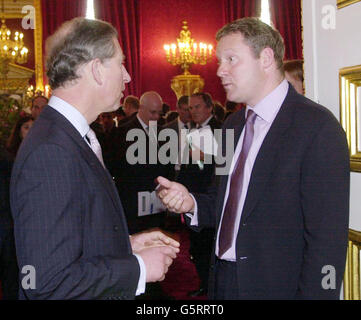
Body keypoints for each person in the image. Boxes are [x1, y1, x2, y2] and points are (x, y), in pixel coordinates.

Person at [156, 17, 350, 300]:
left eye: (231, 59)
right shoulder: (234, 125)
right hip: (223, 281)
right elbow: (227, 203)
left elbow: (327, 240)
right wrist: (191, 202)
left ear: (266, 58)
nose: (220, 71)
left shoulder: (316, 126)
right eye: (219, 61)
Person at [10, 17, 179, 300]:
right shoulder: (51, 151)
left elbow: (72, 238)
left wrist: (125, 245)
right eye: (121, 63)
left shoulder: (69, 135)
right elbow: (46, 282)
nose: (127, 76)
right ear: (97, 69)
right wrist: (137, 268)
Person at [176, 93, 221, 298]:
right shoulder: (193, 129)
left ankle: (209, 286)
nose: (193, 111)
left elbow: (223, 163)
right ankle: (204, 282)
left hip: (208, 197)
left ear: (210, 108)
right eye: (190, 107)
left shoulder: (221, 129)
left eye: (197, 107)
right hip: (193, 195)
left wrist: (205, 156)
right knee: (196, 244)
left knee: (206, 245)